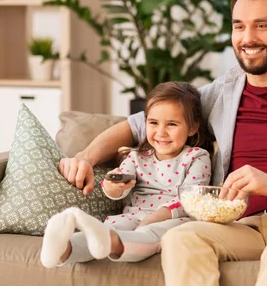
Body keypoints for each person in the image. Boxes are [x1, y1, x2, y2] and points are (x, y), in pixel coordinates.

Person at [58, 0, 267, 286]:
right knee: (181, 237)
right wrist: (86, 157)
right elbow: (142, 125)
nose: (248, 38)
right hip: (243, 225)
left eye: (261, 25)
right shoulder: (221, 93)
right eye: (239, 27)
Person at [40, 81, 212, 267]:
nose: (161, 132)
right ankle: (63, 250)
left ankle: (110, 242)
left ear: (192, 128)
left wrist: (153, 218)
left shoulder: (197, 157)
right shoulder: (136, 156)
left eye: (171, 124)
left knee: (149, 237)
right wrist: (112, 187)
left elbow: (192, 200)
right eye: (153, 123)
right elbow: (119, 191)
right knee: (105, 230)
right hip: (132, 216)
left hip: (173, 220)